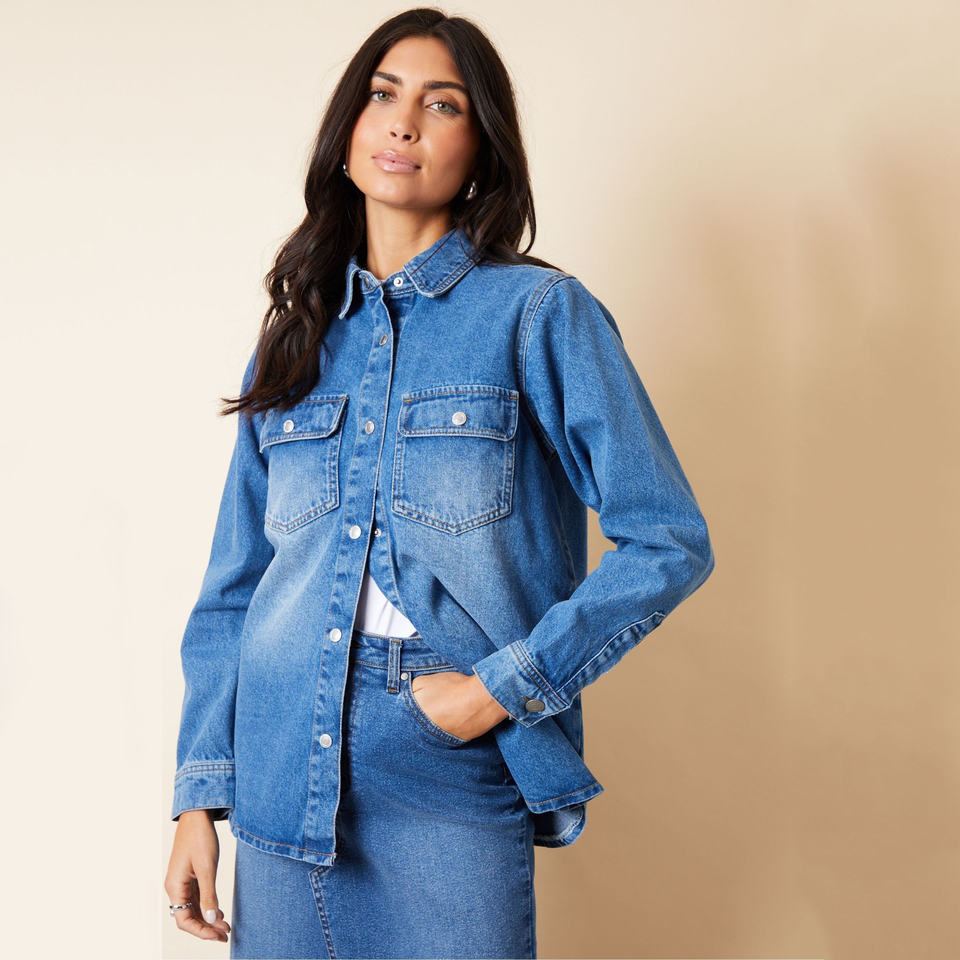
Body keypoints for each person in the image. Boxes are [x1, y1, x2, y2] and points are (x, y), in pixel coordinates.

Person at [164, 7, 715, 959]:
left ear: (481, 150)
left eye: (442, 103)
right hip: (277, 760)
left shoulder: (539, 315)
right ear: (347, 130)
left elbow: (668, 540)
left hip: (443, 765)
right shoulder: (295, 337)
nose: (403, 122)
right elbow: (234, 588)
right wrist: (196, 798)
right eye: (383, 94)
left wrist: (500, 690)